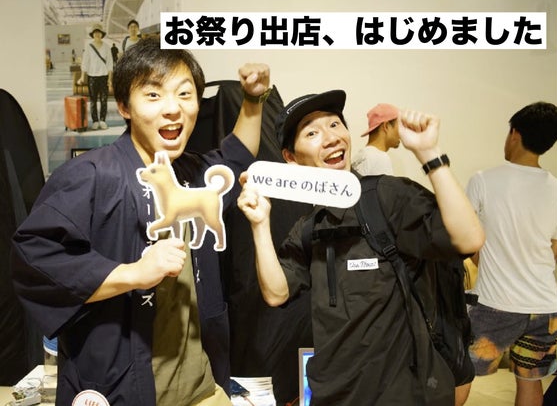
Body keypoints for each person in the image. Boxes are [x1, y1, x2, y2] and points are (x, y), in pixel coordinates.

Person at [11, 36, 270, 406]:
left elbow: (237, 156)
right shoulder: (92, 174)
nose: (173, 108)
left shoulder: (194, 172)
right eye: (153, 95)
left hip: (204, 390)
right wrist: (133, 273)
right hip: (121, 393)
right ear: (124, 106)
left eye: (184, 94)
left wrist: (254, 99)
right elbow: (34, 260)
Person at [237, 89, 485, 405]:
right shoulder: (308, 227)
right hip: (331, 394)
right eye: (312, 133)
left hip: (400, 394)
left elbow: (469, 239)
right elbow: (276, 292)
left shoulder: (387, 196)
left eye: (334, 124)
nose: (331, 138)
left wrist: (430, 155)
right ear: (290, 158)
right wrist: (259, 224)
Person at [462, 101, 557, 406]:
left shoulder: (483, 180)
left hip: (496, 307)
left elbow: (465, 240)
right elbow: (555, 251)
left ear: (514, 133)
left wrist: (490, 262)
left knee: (460, 375)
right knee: (530, 381)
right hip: (545, 308)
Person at [77, 23, 113, 130]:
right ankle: (95, 121)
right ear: (92, 35)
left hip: (104, 77)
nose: (97, 34)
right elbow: (85, 63)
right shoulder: (89, 47)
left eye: (99, 32)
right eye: (95, 33)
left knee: (103, 100)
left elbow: (110, 64)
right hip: (92, 77)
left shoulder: (106, 47)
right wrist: (82, 77)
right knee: (93, 100)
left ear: (102, 34)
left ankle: (102, 120)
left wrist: (110, 79)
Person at [352, 103, 400, 175]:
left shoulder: (358, 158)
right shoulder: (381, 158)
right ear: (386, 126)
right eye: (400, 126)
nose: (402, 133)